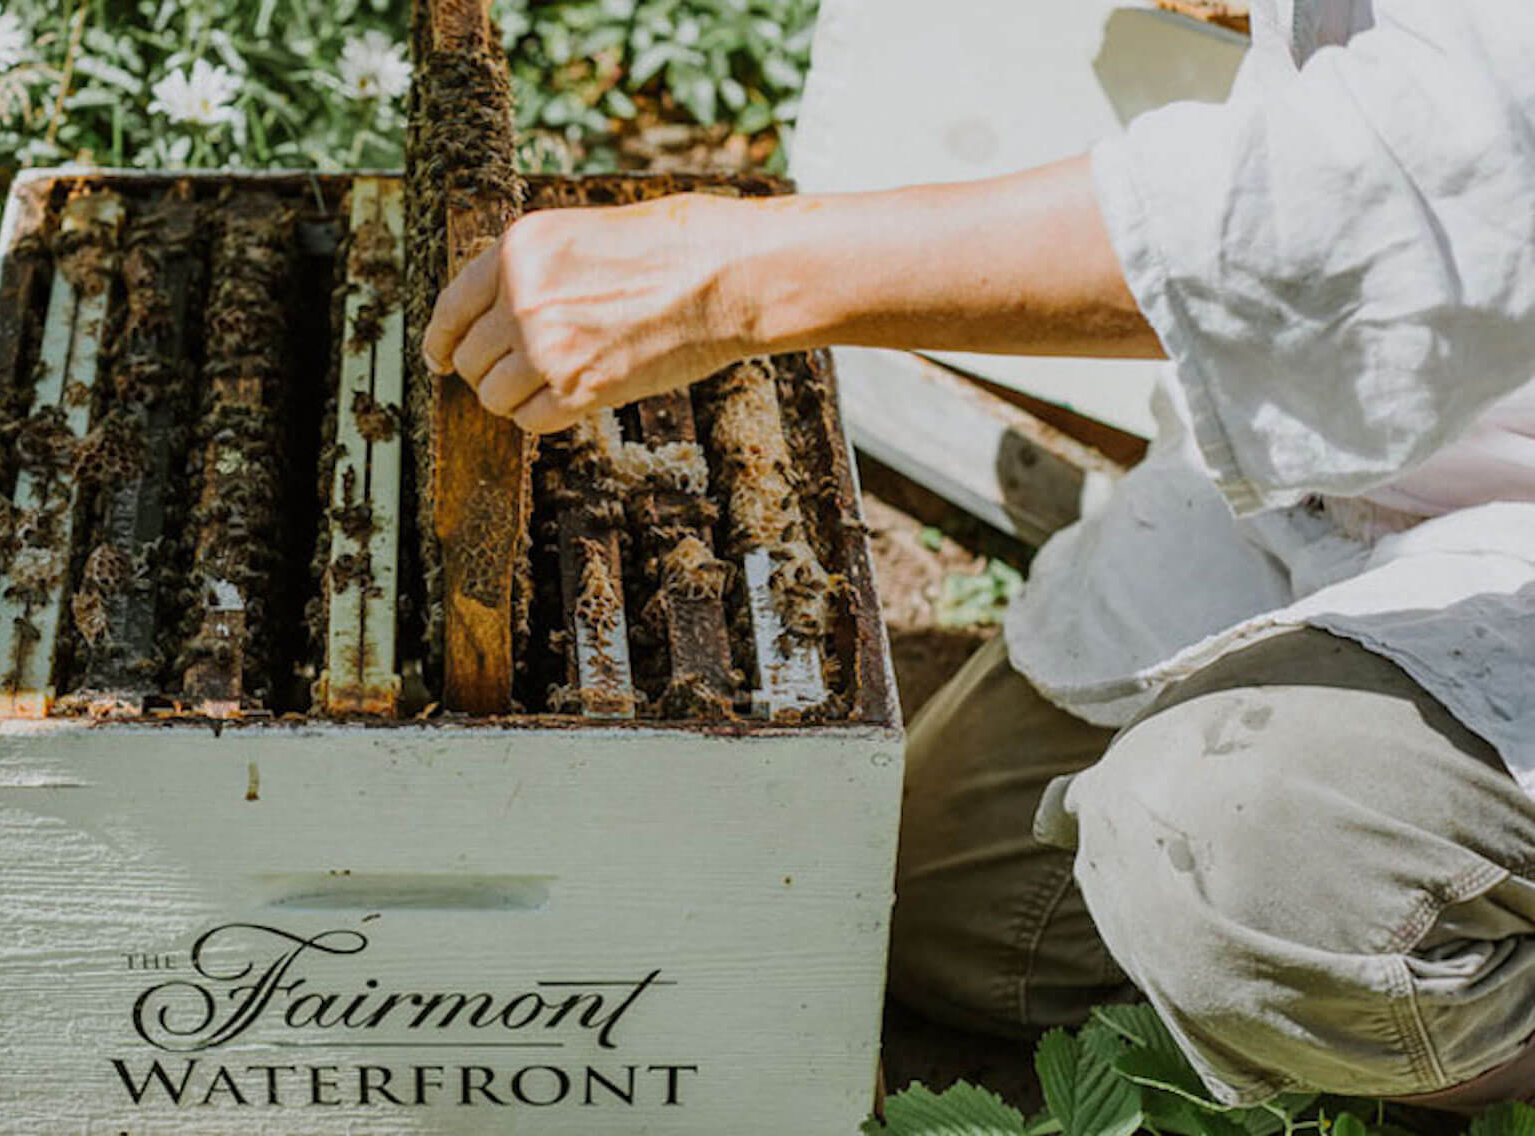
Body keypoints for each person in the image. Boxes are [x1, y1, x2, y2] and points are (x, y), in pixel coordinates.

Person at [420, 0, 1535, 1112]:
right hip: (1371, 473)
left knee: (1227, 851)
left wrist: (734, 276)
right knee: (942, 913)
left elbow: (1382, 205)